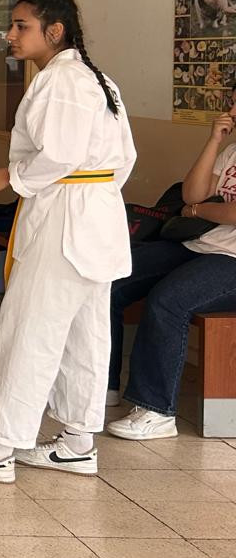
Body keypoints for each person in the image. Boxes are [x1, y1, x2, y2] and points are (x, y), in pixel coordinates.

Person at [0, 0, 136, 483]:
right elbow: (125, 160)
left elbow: (61, 154)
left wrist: (12, 177)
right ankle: (77, 444)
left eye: (21, 25)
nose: (10, 34)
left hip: (66, 220)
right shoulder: (95, 79)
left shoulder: (64, 80)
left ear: (55, 30)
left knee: (29, 331)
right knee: (85, 336)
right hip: (97, 217)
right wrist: (85, 193)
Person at [105, 101, 236, 441]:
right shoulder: (231, 152)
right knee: (113, 279)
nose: (233, 109)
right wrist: (214, 141)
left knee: (168, 301)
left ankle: (156, 410)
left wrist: (197, 211)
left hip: (231, 259)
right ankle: (102, 385)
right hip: (200, 244)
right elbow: (191, 193)